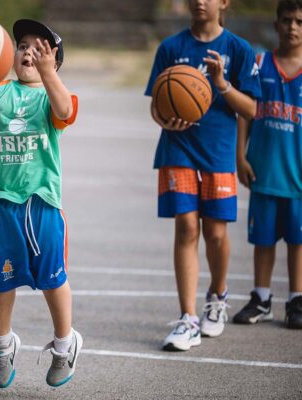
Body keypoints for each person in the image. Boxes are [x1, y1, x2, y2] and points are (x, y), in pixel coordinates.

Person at [0, 19, 82, 387]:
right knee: (0, 281)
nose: (28, 51)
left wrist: (48, 75)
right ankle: (2, 345)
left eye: (39, 48)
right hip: (1, 204)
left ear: (54, 61)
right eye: (22, 45)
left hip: (42, 202)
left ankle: (64, 344)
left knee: (53, 278)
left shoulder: (52, 95)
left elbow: (64, 112)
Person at [144, 0, 261, 351]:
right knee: (187, 227)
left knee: (215, 233)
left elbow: (253, 109)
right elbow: (155, 104)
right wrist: (166, 119)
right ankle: (188, 318)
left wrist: (221, 84)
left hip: (219, 152)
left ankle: (218, 294)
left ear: (224, 2)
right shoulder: (171, 47)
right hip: (177, 149)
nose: (199, 1)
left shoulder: (238, 50)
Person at [233, 0, 302, 330]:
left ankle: (296, 299)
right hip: (262, 170)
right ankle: (261, 298)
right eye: (287, 20)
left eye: (300, 21)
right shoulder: (261, 64)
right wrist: (240, 155)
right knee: (263, 240)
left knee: (297, 242)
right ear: (276, 25)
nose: (293, 26)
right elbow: (245, 112)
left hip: (298, 176)